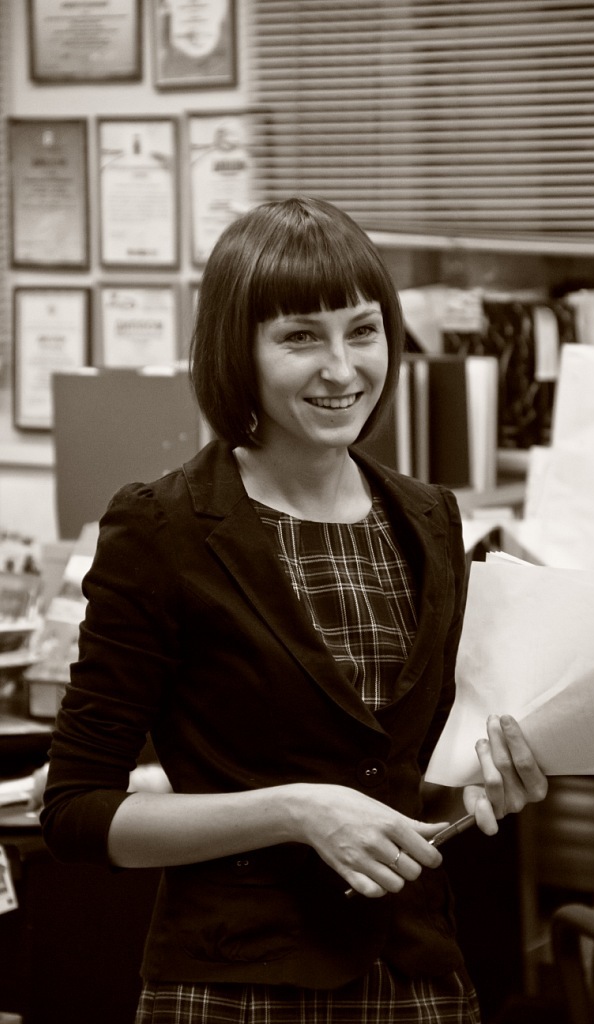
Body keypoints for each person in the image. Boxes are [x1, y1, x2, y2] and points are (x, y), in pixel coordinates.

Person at [41, 196, 548, 1024]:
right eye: (301, 337)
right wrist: (295, 811)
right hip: (234, 988)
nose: (342, 369)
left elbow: (417, 776)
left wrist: (486, 790)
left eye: (363, 330)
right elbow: (77, 812)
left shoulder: (428, 519)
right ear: (237, 351)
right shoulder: (163, 529)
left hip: (416, 978)